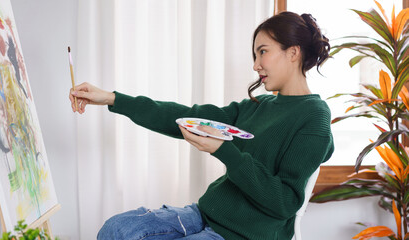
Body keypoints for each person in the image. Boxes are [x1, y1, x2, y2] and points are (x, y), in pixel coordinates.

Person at [69, 11, 334, 240]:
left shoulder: (314, 116)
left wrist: (224, 150)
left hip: (243, 233)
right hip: (204, 213)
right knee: (116, 230)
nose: (256, 65)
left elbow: (284, 202)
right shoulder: (258, 105)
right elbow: (186, 116)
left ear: (293, 53)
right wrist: (112, 98)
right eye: (255, 55)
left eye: (262, 52)